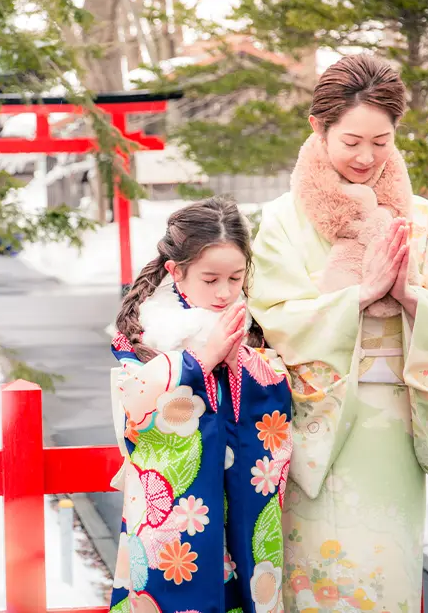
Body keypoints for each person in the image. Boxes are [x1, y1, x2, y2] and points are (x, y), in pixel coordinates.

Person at [247, 54, 428, 613]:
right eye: (352, 141)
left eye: (381, 142)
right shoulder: (283, 219)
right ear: (319, 128)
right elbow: (272, 315)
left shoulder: (421, 217)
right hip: (318, 426)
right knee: (318, 576)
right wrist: (359, 295)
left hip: (393, 427)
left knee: (387, 575)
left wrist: (409, 295)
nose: (367, 157)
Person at [107, 196, 293, 613]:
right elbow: (136, 422)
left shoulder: (257, 330)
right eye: (211, 280)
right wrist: (197, 364)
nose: (226, 293)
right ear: (176, 272)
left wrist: (242, 363)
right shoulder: (144, 338)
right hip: (176, 521)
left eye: (236, 277)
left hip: (241, 503)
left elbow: (277, 407)